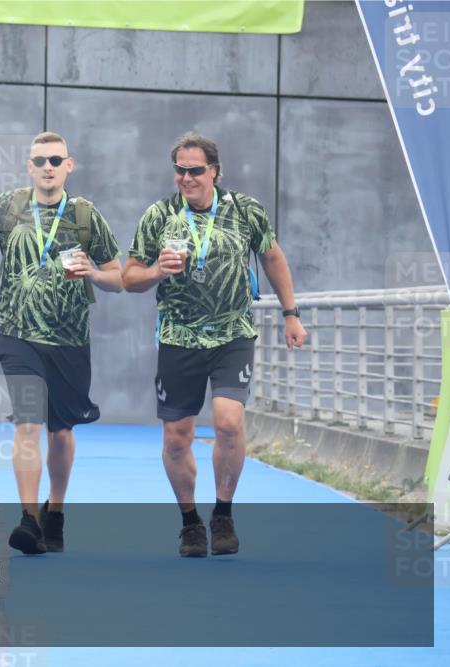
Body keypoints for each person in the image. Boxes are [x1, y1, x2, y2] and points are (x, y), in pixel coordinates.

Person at [0, 131, 123, 555]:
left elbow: (120, 278)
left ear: (69, 165)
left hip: (70, 340)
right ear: (29, 166)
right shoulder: (10, 205)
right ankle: (28, 519)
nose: (48, 168)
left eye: (56, 160)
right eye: (40, 161)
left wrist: (94, 273)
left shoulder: (85, 214)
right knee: (27, 424)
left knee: (60, 433)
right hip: (18, 337)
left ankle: (54, 511)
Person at [122, 132, 307, 557]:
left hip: (232, 334)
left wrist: (290, 313)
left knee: (227, 422)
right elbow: (129, 277)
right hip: (178, 337)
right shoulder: (159, 215)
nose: (186, 178)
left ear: (215, 172)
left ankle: (223, 513)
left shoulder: (245, 210)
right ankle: (190, 523)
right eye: (180, 171)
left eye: (196, 170)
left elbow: (272, 257)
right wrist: (156, 272)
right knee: (176, 437)